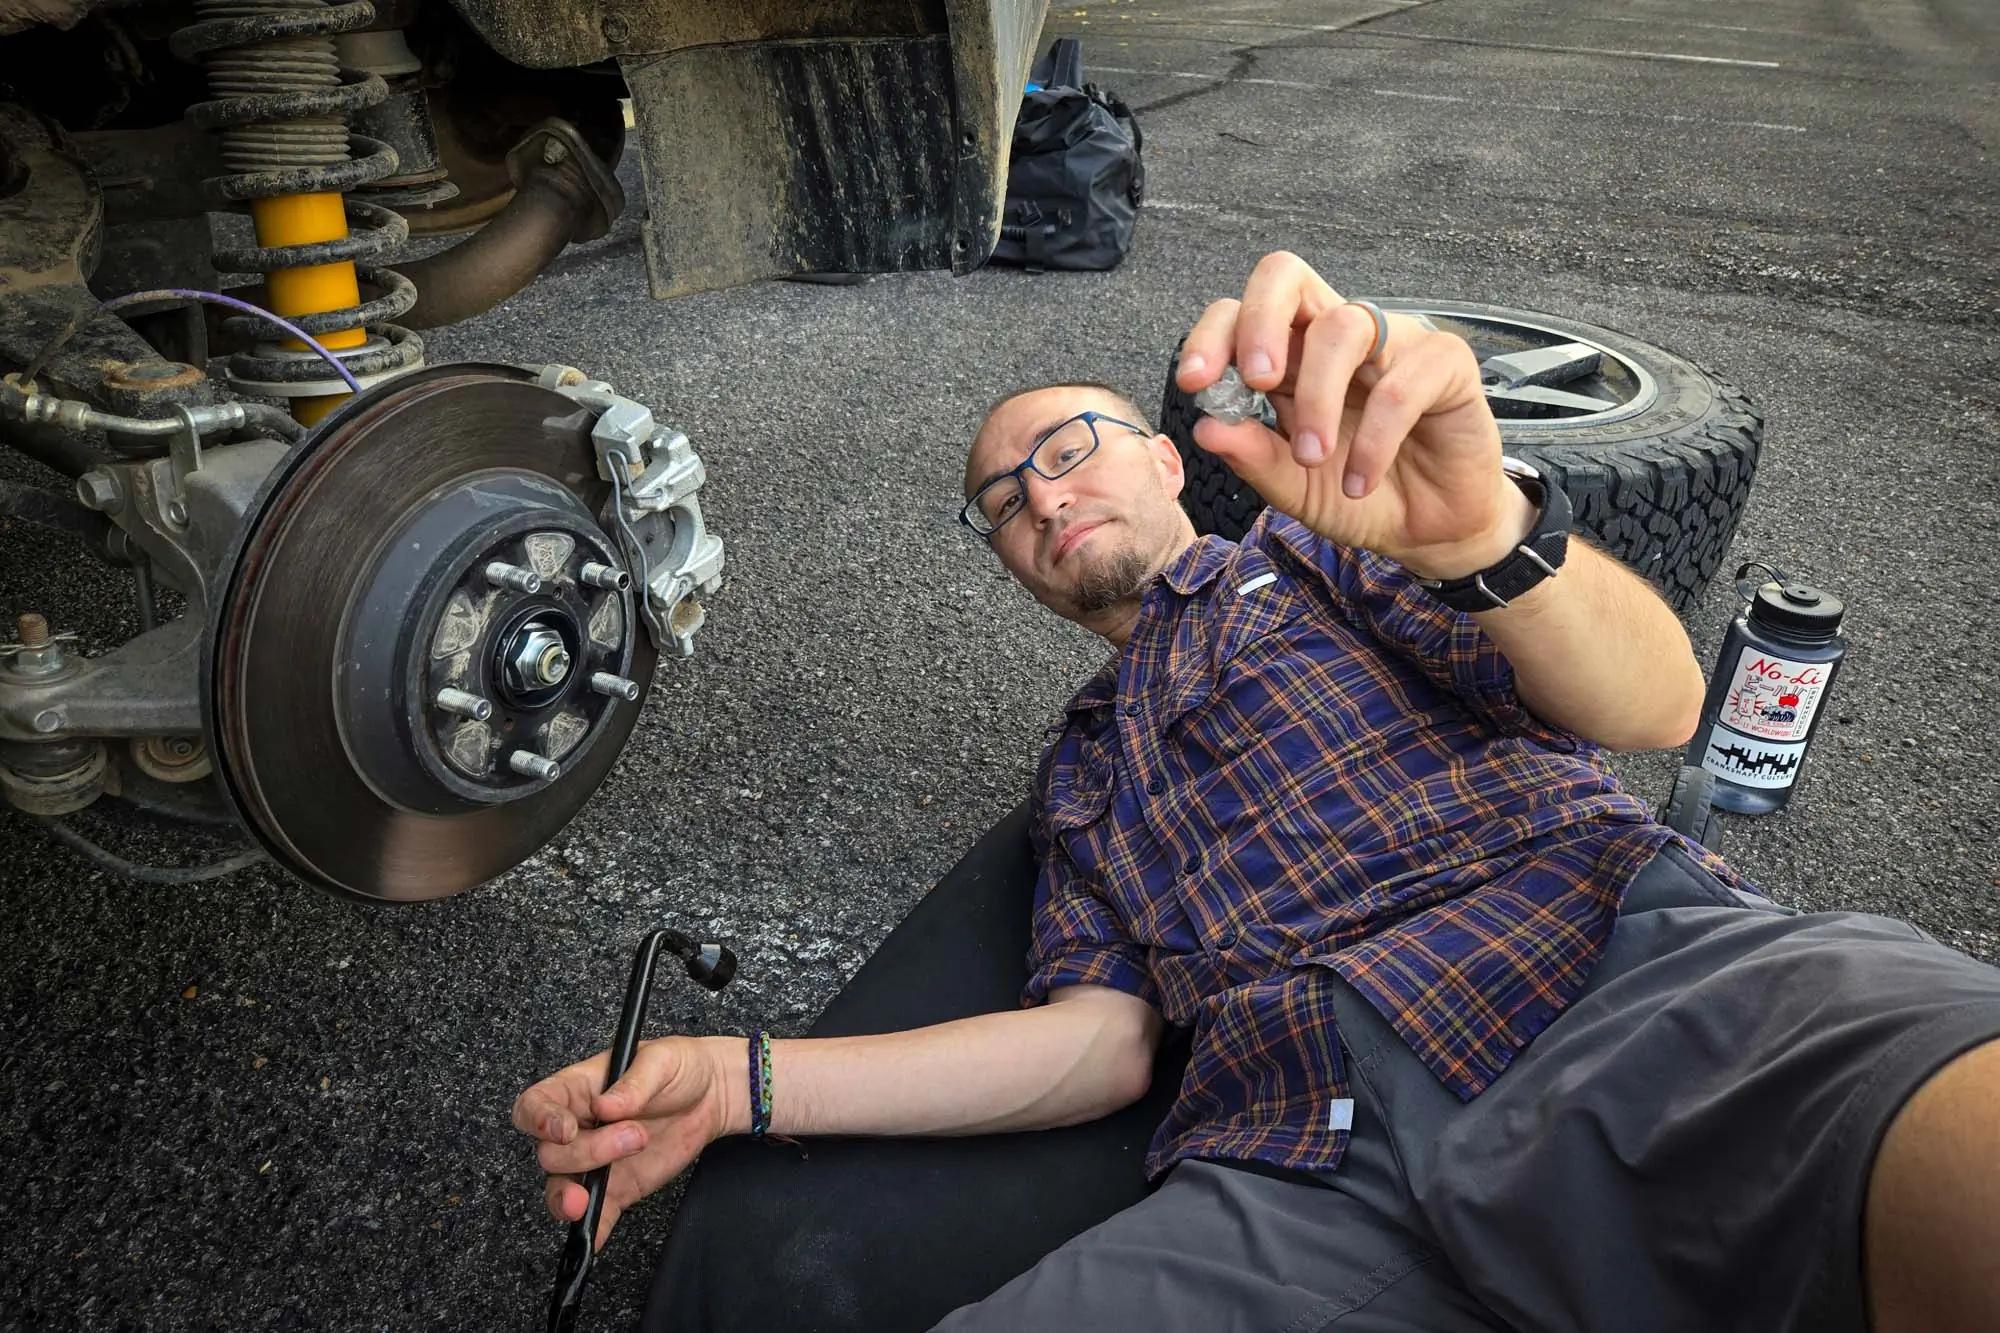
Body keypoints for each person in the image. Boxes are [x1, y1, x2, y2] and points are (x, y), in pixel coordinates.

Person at [514, 252, 2000, 1333]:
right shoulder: (1084, 775)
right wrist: (740, 1083)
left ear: (1165, 460)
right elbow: (1090, 1052)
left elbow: (1657, 703)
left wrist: (1482, 528)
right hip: (1306, 1174)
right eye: (1002, 505)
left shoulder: (1331, 563)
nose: (1038, 496)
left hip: (1626, 986)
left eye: (1065, 449)